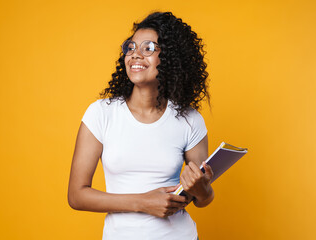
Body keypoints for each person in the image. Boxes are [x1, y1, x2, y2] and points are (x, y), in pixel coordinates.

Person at [68, 12, 214, 240]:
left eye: (148, 48)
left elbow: (203, 199)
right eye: (131, 47)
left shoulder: (189, 119)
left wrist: (201, 188)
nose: (135, 54)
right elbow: (76, 196)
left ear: (169, 58)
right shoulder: (101, 114)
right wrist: (142, 202)